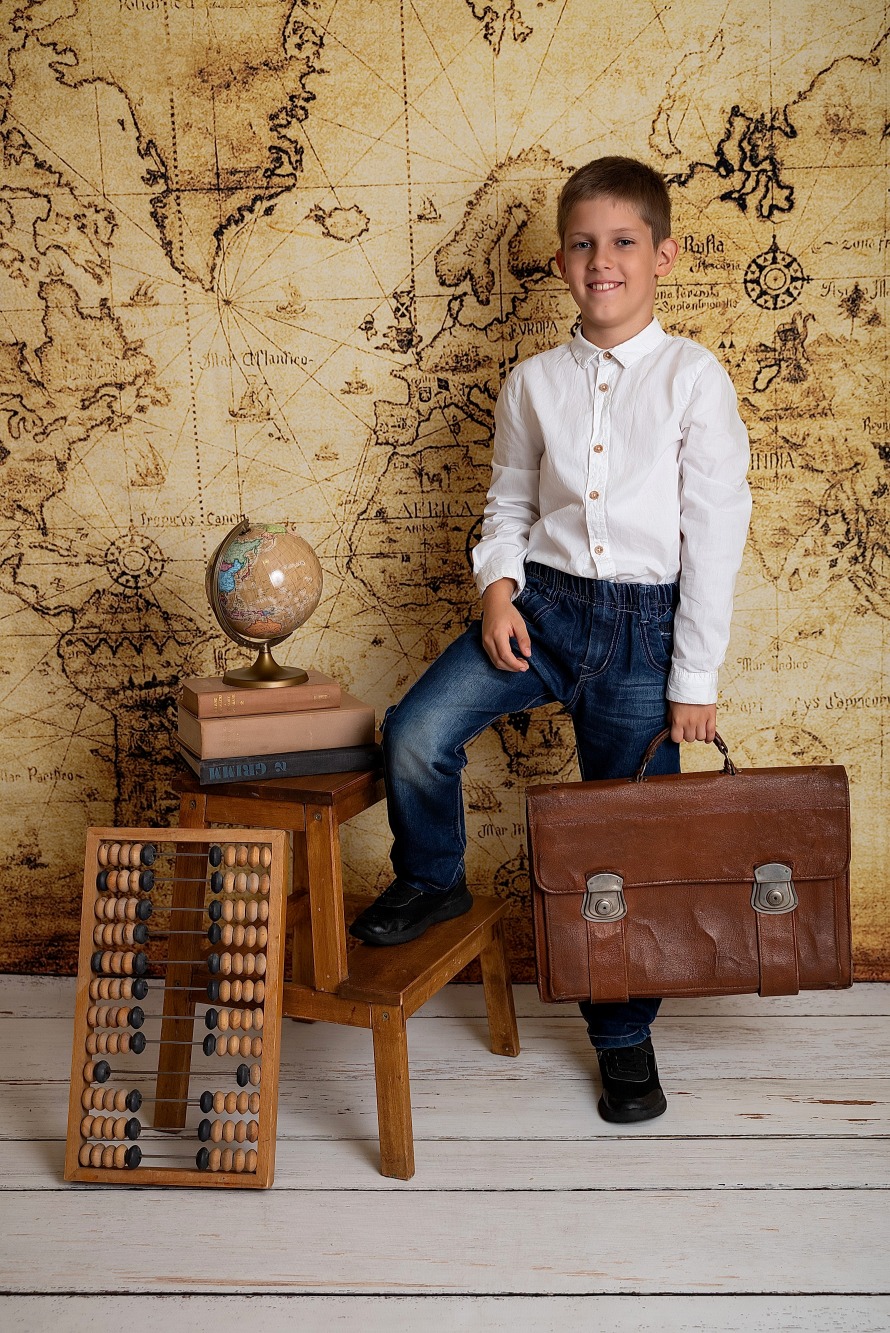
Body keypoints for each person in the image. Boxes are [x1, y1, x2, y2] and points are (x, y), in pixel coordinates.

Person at [350, 156, 751, 1123]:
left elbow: (716, 531)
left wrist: (693, 677)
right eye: (582, 244)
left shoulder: (693, 380)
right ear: (562, 262)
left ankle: (624, 1036)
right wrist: (499, 593)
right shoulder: (532, 384)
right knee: (416, 730)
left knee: (623, 842)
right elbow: (509, 503)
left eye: (622, 243)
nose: (601, 261)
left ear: (662, 256)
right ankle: (432, 878)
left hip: (647, 629)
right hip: (545, 609)